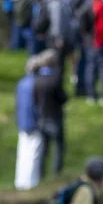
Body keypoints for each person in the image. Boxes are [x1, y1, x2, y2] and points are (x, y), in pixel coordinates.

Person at [34, 48, 69, 177]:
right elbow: (62, 98)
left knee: (43, 148)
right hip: (54, 117)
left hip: (41, 117)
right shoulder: (55, 79)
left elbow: (34, 99)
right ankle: (56, 173)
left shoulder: (37, 79)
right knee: (59, 146)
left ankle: (40, 174)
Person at [15, 55, 47, 190]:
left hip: (22, 122)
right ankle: (31, 183)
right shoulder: (37, 84)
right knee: (34, 154)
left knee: (22, 153)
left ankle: (20, 181)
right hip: (33, 122)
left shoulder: (21, 83)